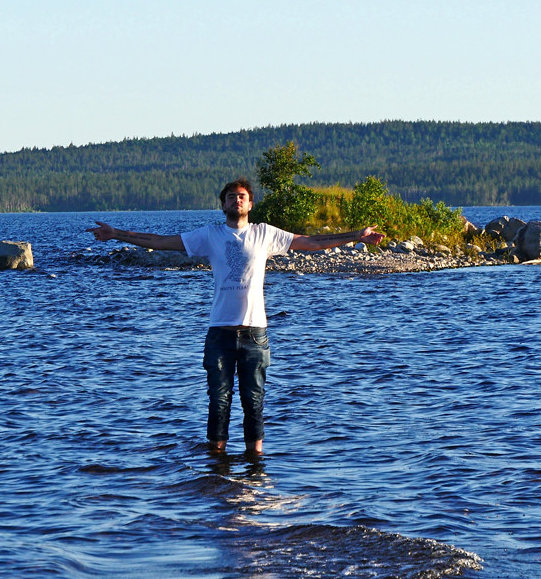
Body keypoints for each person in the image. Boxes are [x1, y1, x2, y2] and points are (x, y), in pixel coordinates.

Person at [87, 178, 384, 456]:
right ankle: (217, 464)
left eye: (242, 197)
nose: (237, 201)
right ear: (223, 205)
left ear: (250, 204)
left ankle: (255, 465)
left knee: (253, 403)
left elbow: (312, 242)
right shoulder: (209, 235)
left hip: (255, 334)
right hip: (220, 333)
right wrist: (117, 234)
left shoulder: (265, 233)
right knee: (218, 402)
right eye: (231, 197)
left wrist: (356, 236)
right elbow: (162, 241)